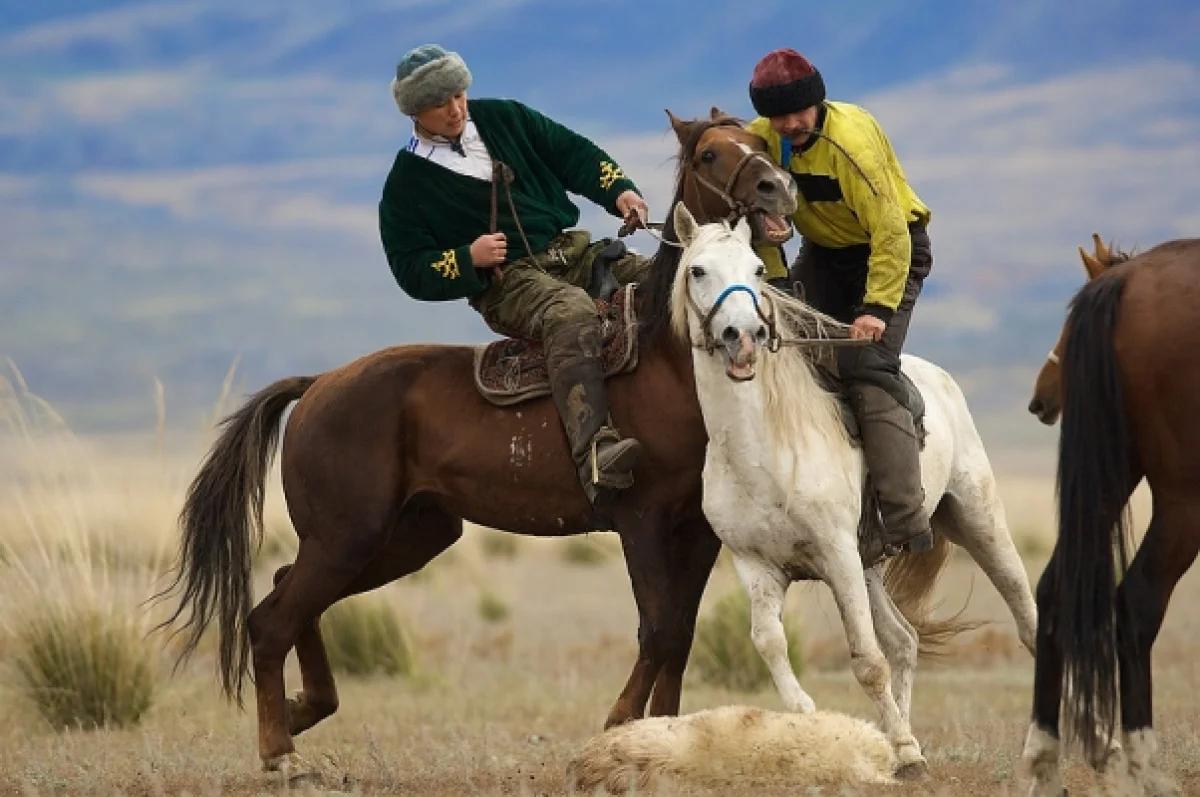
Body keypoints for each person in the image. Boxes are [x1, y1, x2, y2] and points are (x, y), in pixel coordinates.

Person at [378, 44, 651, 512]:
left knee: (665, 278)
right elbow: (409, 267)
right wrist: (467, 258)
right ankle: (597, 452)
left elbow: (573, 154)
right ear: (415, 111)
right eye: (440, 102)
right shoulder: (405, 185)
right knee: (571, 314)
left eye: (459, 95)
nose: (455, 108)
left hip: (573, 252)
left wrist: (619, 190)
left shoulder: (506, 118)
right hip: (508, 284)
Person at [746, 47, 934, 555]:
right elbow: (756, 214)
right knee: (783, 351)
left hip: (890, 253)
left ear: (816, 101)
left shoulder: (849, 140)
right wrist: (779, 278)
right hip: (825, 255)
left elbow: (891, 232)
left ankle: (903, 522)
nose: (789, 124)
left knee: (864, 368)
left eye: (797, 112)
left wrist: (875, 308)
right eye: (777, 115)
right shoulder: (762, 140)